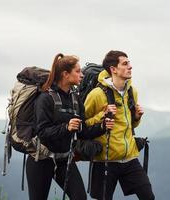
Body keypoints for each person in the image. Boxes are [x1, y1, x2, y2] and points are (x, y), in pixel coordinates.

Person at [26, 53, 114, 200]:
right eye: (78, 71)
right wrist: (66, 127)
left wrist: (103, 126)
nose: (82, 75)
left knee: (80, 197)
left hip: (64, 159)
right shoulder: (45, 98)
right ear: (65, 74)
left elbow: (82, 131)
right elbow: (42, 132)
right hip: (40, 159)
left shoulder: (75, 99)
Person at [84, 50, 155, 200]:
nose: (130, 67)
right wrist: (101, 116)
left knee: (148, 196)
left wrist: (136, 117)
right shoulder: (97, 94)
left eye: (129, 63)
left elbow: (131, 125)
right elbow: (83, 126)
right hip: (105, 160)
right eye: (125, 63)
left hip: (130, 157)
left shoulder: (131, 92)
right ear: (113, 69)